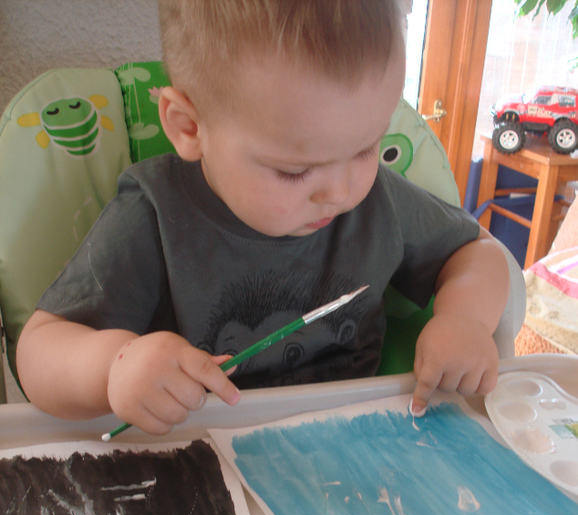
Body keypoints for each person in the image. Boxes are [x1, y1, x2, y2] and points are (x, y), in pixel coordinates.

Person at [17, 0, 510, 435]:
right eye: (294, 171)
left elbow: (478, 251)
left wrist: (464, 319)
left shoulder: (377, 198)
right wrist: (115, 368)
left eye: (366, 148)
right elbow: (38, 352)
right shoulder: (153, 216)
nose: (341, 193)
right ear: (189, 128)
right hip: (198, 461)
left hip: (353, 447)